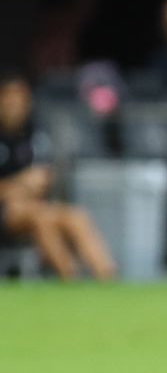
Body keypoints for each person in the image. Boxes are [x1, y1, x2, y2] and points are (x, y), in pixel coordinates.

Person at [0, 73, 117, 280]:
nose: (15, 104)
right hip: (7, 210)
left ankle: (107, 277)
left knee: (76, 216)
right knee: (41, 216)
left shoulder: (33, 135)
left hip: (33, 204)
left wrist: (37, 183)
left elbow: (45, 176)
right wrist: (19, 184)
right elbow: (21, 186)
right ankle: (70, 278)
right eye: (8, 97)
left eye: (21, 98)